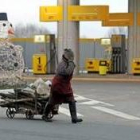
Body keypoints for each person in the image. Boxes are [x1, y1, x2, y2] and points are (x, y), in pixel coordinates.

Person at [42, 48, 83, 123]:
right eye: (71, 56)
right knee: (52, 101)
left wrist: (71, 64)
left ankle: (74, 118)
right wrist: (72, 64)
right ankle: (45, 115)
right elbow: (67, 72)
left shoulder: (67, 63)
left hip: (65, 85)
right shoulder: (62, 64)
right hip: (58, 85)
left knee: (71, 100)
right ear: (68, 57)